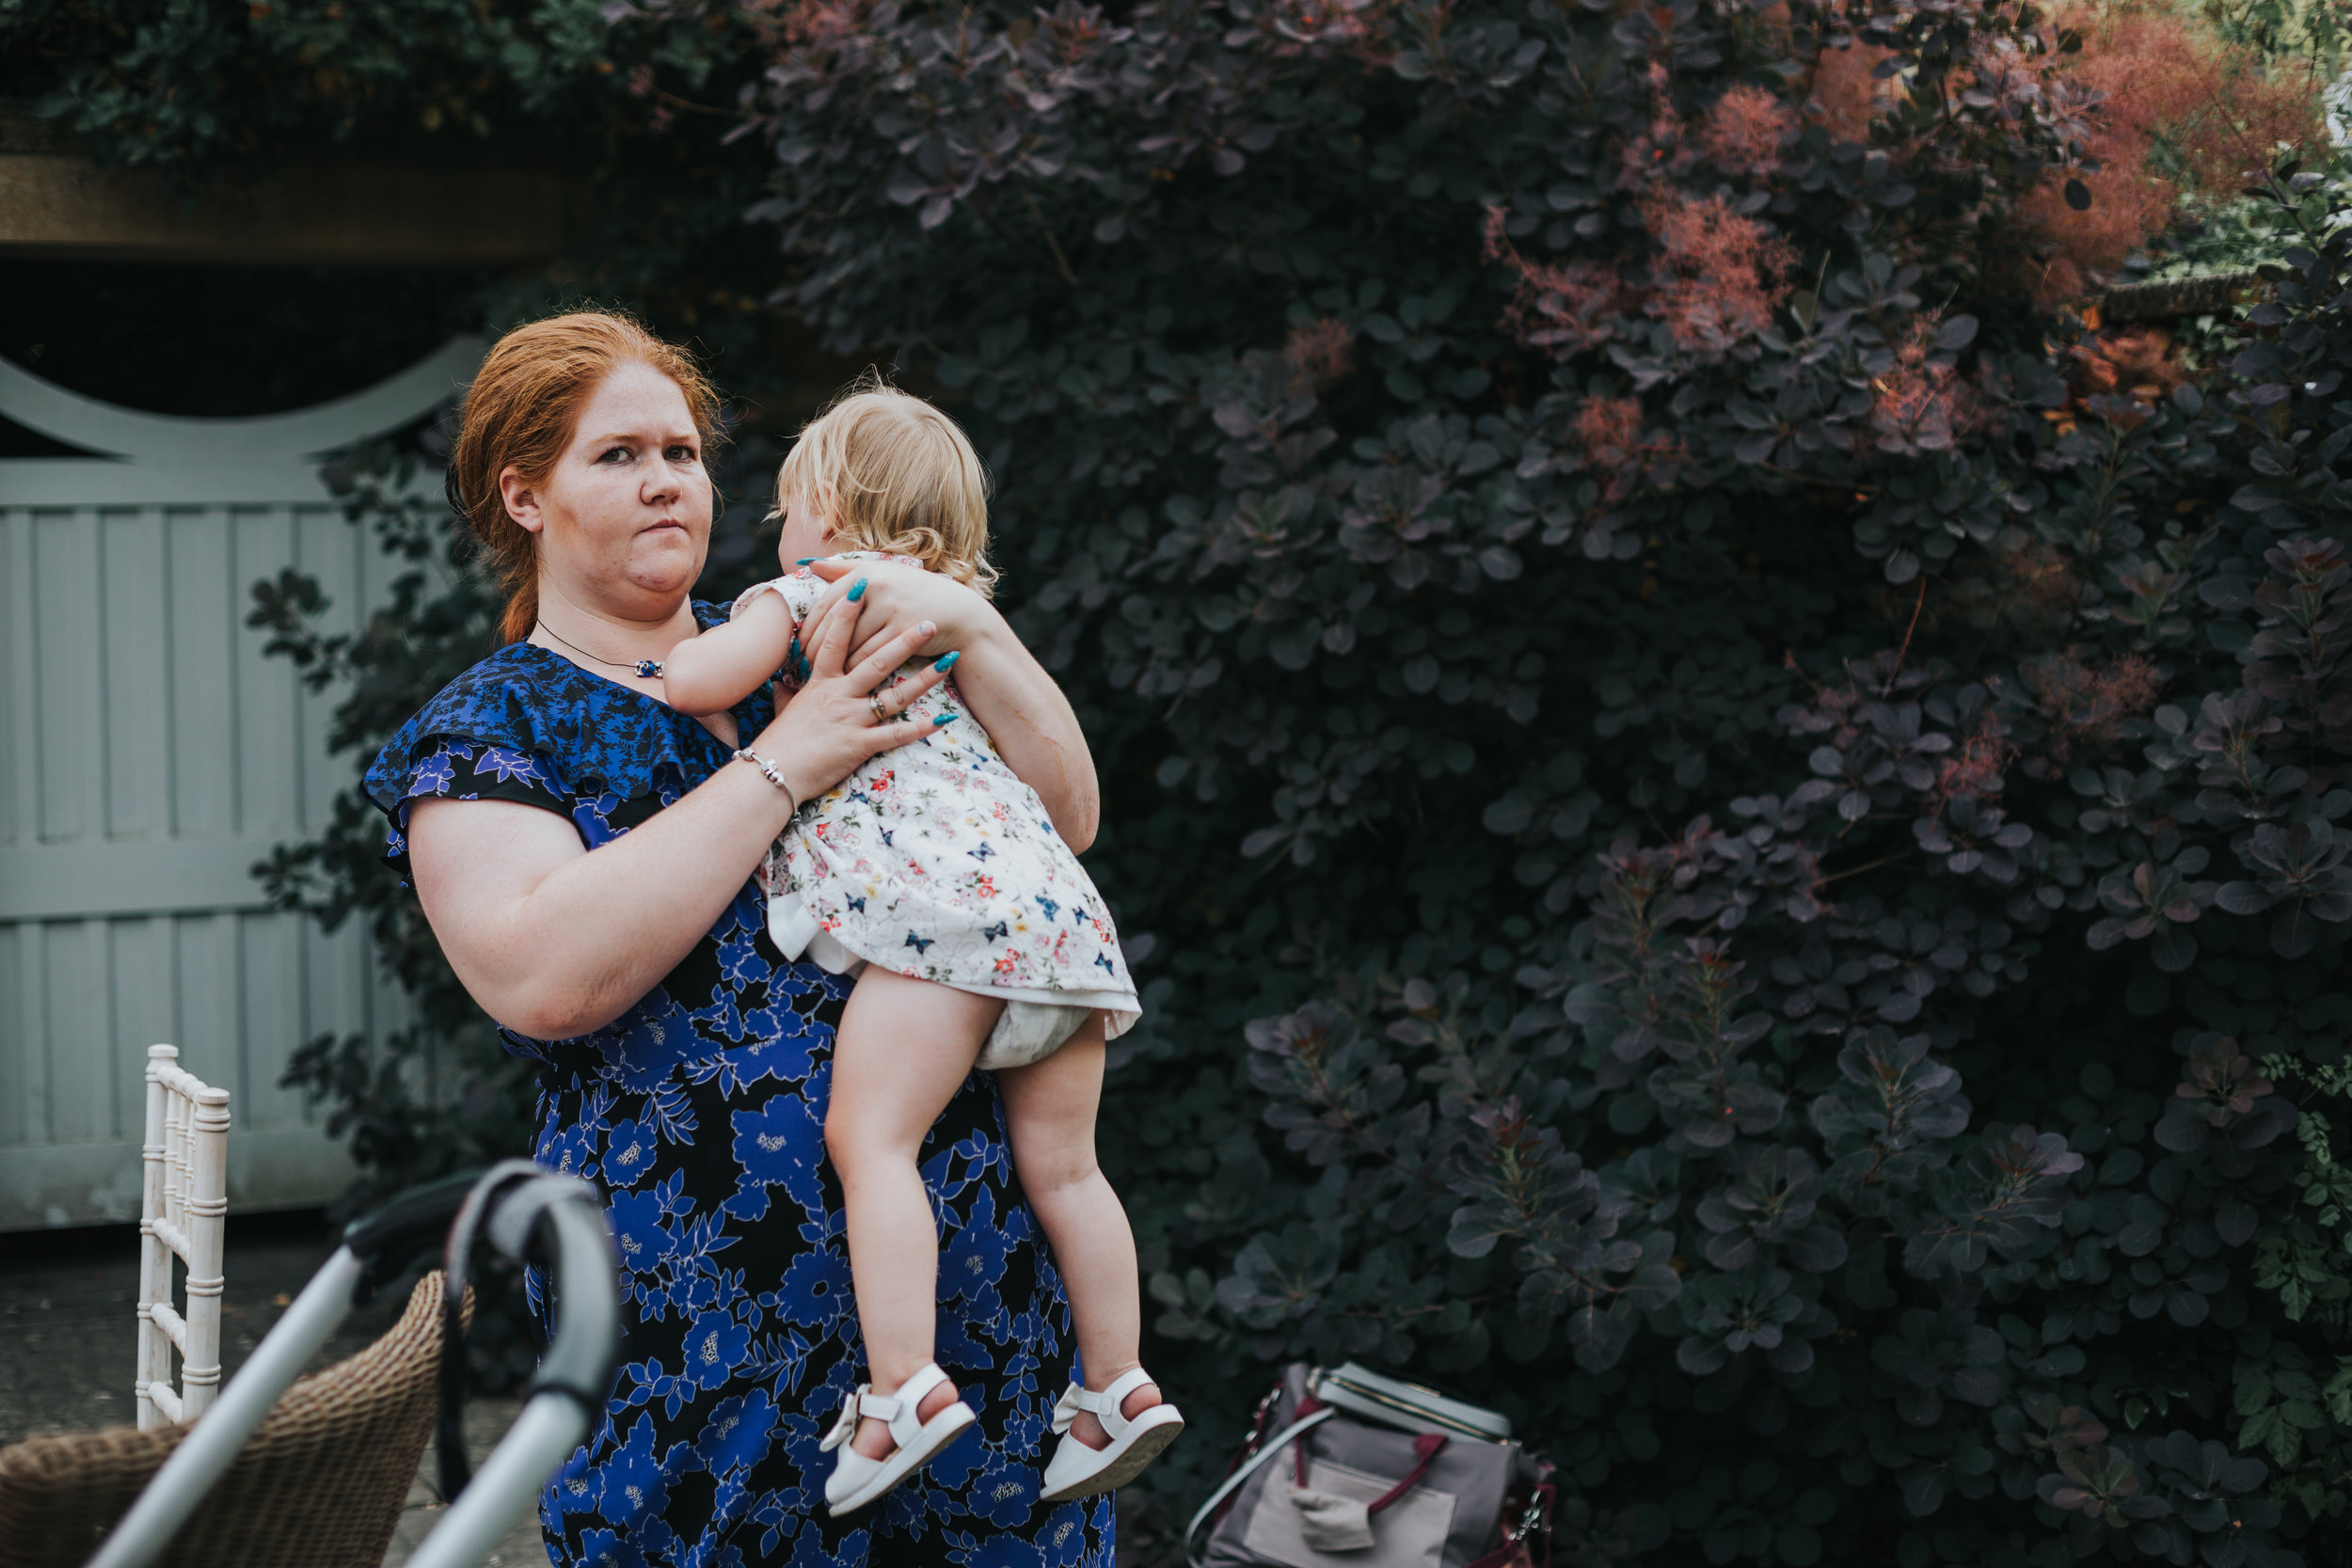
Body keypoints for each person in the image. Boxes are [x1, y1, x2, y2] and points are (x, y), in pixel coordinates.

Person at [364, 311, 1118, 1564]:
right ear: (525, 493)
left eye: (683, 449)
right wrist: (782, 761)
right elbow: (544, 977)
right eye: (617, 455)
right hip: (701, 1338)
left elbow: (1065, 820)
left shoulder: (812, 623)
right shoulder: (493, 728)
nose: (666, 477)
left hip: (967, 1321)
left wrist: (975, 626)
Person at [662, 383, 1181, 1516]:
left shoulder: (808, 586)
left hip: (941, 927)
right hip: (1058, 921)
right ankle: (1117, 1385)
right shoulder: (952, 615)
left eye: (790, 507)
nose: (780, 530)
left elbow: (702, 678)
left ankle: (901, 1386)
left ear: (832, 507)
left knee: (871, 1136)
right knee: (1070, 1168)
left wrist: (673, 665)